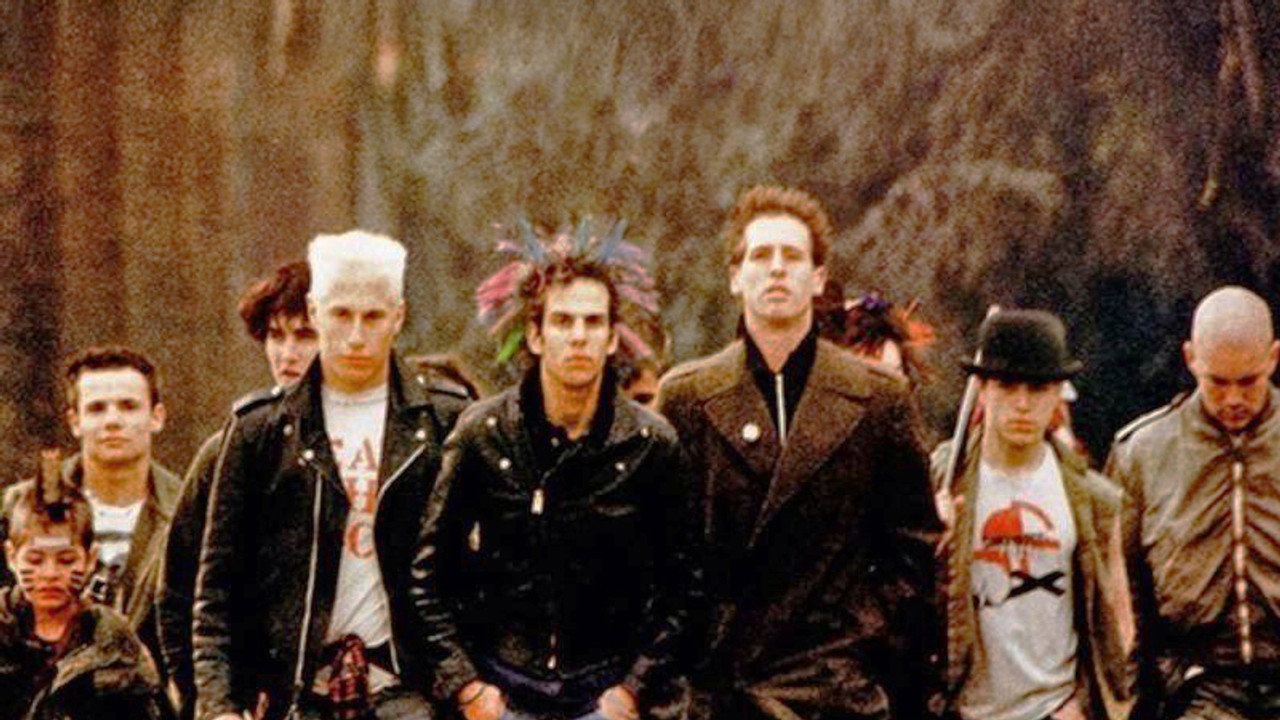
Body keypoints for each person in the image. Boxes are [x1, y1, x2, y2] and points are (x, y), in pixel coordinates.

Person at [657, 185, 942, 720]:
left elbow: (913, 550)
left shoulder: (878, 399)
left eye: (792, 256)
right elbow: (662, 555)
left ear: (817, 278)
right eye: (761, 255)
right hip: (722, 690)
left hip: (836, 688)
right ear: (735, 276)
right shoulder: (686, 398)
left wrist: (864, 641)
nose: (776, 269)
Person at [412, 218, 701, 720]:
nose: (579, 337)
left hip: (605, 688)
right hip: (503, 685)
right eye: (563, 321)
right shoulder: (484, 434)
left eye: (593, 323)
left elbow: (684, 589)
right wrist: (468, 688)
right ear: (535, 334)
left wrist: (633, 688)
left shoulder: (650, 445)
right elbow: (428, 576)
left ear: (612, 337)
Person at [193, 230, 472, 720]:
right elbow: (216, 587)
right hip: (293, 694)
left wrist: (472, 687)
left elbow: (487, 572)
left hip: (414, 692)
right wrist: (219, 706)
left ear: (399, 317)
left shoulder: (445, 420)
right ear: (315, 311)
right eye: (341, 314)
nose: (356, 336)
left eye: (373, 317)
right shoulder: (261, 429)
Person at [933, 309, 1136, 720]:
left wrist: (1080, 704)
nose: (1023, 404)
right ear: (982, 390)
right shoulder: (941, 481)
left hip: (1054, 708)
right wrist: (930, 540)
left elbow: (1118, 618)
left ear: (1058, 393)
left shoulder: (1092, 499)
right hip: (962, 709)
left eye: (1039, 388)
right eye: (1007, 386)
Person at [1107, 285, 1280, 720]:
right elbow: (1123, 595)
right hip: (1200, 687)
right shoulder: (1143, 454)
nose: (1234, 399)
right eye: (1217, 382)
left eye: (1249, 381)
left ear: (1273, 358)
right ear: (1190, 359)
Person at [157, 260, 319, 716]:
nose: (287, 353)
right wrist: (208, 702)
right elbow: (178, 589)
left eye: (305, 335)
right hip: (253, 694)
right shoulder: (232, 446)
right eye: (275, 336)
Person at [2, 346, 178, 656]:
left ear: (156, 416)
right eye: (97, 409)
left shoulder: (187, 510)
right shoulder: (18, 506)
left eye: (128, 406)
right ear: (74, 421)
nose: (113, 421)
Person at [0, 450, 170, 720]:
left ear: (91, 559)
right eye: (35, 559)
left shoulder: (116, 645)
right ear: (11, 557)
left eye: (66, 560)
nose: (50, 574)